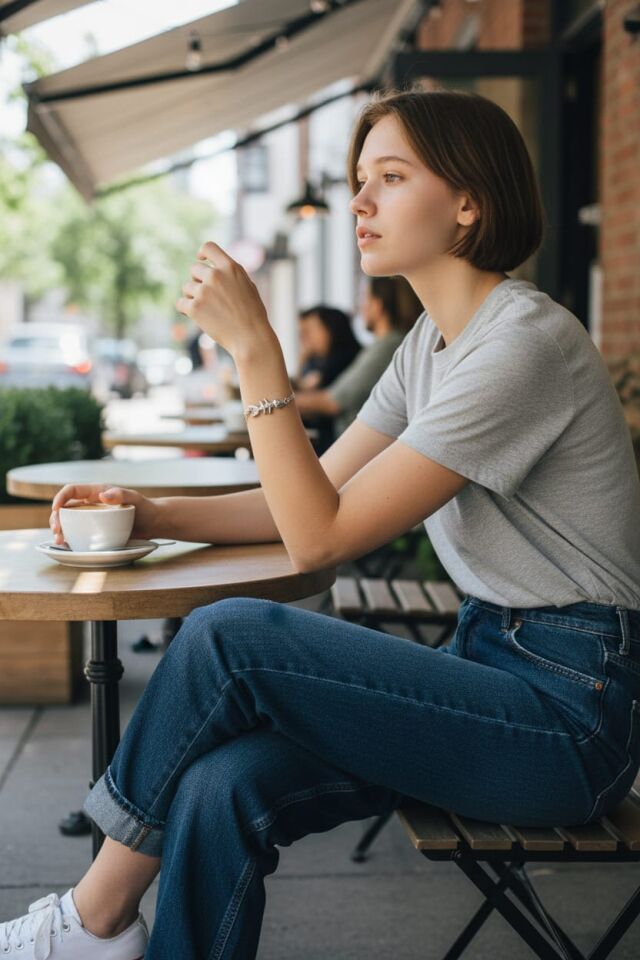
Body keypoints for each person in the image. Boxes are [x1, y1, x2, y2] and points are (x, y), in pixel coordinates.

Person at [3, 87, 640, 960]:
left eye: (391, 176)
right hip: (486, 665)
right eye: (358, 179)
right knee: (221, 785)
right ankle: (111, 935)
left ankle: (93, 917)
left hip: (570, 717)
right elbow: (303, 499)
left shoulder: (523, 343)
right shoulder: (429, 347)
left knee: (227, 635)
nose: (361, 202)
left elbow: (320, 540)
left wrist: (255, 351)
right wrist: (152, 512)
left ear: (468, 202)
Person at [295, 276, 422, 443]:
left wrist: (272, 403)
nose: (361, 306)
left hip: (353, 450)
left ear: (378, 305)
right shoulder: (380, 346)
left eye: (364, 298)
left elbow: (332, 402)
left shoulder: (388, 346)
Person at [292, 305, 362, 453]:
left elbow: (321, 400)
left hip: (337, 442)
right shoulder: (314, 360)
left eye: (312, 330)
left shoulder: (346, 359)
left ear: (331, 329)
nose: (304, 337)